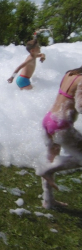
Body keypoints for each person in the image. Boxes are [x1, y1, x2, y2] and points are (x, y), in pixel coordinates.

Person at [37, 66, 82, 209]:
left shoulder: (70, 73)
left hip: (49, 119)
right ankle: (47, 171)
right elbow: (80, 107)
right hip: (61, 124)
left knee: (50, 159)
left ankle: (48, 201)